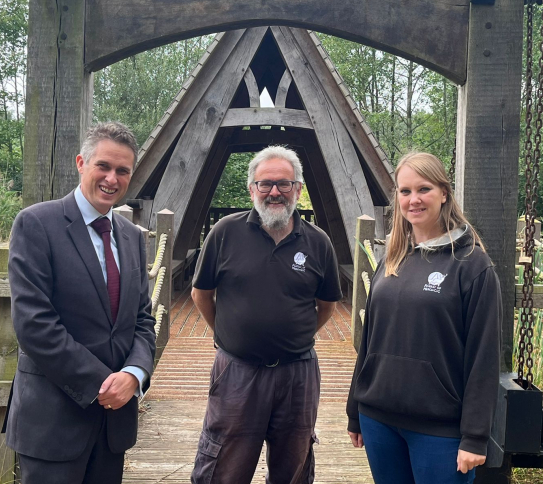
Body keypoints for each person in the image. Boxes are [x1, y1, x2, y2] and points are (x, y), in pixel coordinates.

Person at [4, 122, 156, 484]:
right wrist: (105, 383)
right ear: (81, 163)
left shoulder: (133, 238)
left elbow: (142, 321)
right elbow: (34, 324)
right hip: (53, 421)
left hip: (112, 428)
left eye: (122, 171)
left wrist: (134, 376)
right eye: (103, 166)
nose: (112, 179)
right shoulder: (37, 224)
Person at [346, 152, 502, 484]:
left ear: (444, 193)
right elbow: (371, 339)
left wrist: (475, 436)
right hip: (378, 419)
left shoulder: (472, 265)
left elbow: (484, 357)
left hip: (439, 429)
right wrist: (354, 411)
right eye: (405, 191)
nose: (413, 199)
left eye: (423, 189)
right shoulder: (391, 260)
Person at [190, 145, 342, 484]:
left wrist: (294, 335)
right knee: (224, 467)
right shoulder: (224, 233)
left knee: (294, 468)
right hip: (238, 373)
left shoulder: (319, 243)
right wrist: (229, 334)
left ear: (298, 190)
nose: (275, 192)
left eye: (284, 184)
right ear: (252, 189)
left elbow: (327, 305)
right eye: (266, 184)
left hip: (298, 376)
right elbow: (201, 294)